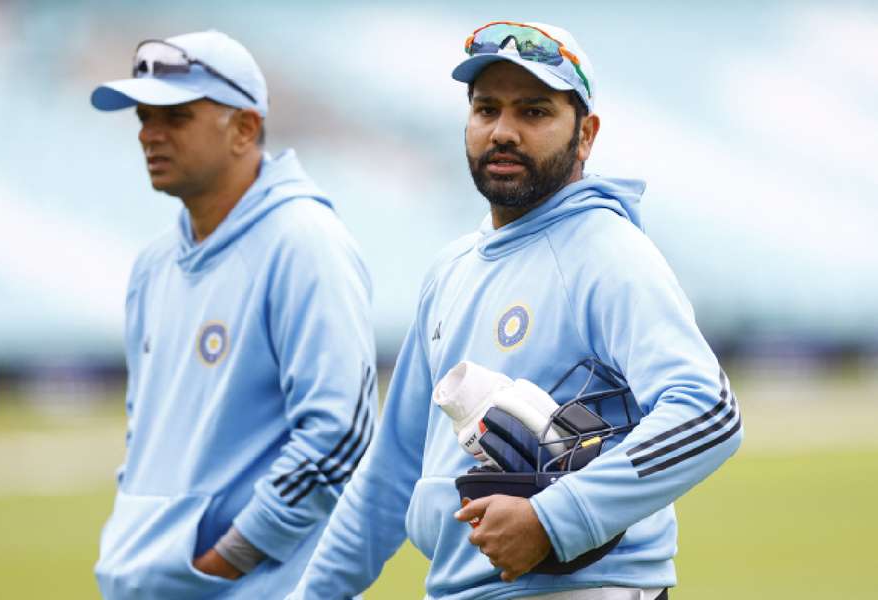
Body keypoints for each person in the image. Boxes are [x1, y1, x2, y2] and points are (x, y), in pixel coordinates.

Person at [287, 21, 742, 600]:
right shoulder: (451, 269)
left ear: (585, 135)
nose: (503, 131)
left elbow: (708, 412)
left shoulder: (608, 251)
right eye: (486, 110)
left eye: (533, 112)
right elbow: (388, 476)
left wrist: (554, 518)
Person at [89, 30, 376, 599]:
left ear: (245, 128)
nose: (149, 134)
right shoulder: (153, 265)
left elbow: (340, 433)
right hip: (147, 582)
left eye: (176, 116)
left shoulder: (304, 242)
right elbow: (143, 435)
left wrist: (229, 558)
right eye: (145, 116)